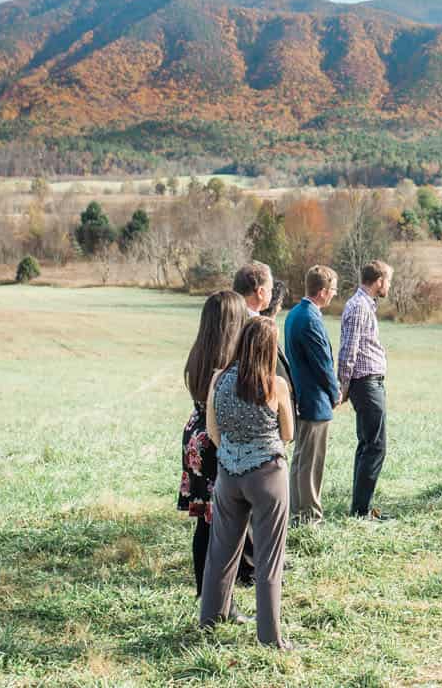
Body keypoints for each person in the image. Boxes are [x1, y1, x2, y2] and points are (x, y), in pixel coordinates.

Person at [201, 317, 295, 649]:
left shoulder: (218, 380)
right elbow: (288, 434)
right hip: (267, 474)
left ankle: (210, 619)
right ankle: (270, 638)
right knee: (269, 558)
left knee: (221, 551)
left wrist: (232, 450)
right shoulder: (276, 385)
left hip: (228, 474)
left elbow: (213, 431)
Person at [178, 290, 254, 610]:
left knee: (205, 523)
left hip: (195, 440)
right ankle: (223, 602)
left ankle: (204, 594)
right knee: (224, 527)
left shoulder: (200, 355)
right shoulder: (226, 367)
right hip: (216, 442)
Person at [285, 266, 340, 526]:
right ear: (322, 292)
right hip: (315, 400)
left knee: (300, 459)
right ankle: (310, 516)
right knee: (311, 462)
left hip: (301, 396)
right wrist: (335, 391)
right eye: (333, 291)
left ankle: (297, 511)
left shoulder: (294, 313)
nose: (334, 295)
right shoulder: (311, 318)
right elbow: (323, 364)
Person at [338, 260, 394, 520]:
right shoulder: (359, 306)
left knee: (368, 445)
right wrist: (344, 385)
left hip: (369, 382)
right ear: (379, 280)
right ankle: (361, 511)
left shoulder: (365, 305)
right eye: (388, 281)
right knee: (375, 446)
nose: (389, 286)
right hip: (365, 383)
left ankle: (361, 507)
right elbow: (348, 350)